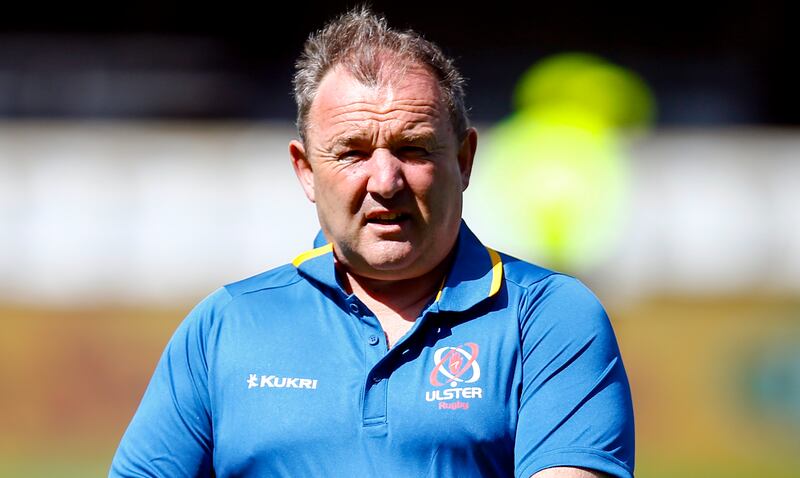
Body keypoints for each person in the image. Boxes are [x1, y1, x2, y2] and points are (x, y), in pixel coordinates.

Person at [110, 7, 634, 478]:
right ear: (305, 170)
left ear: (464, 160)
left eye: (413, 148)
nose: (385, 181)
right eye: (353, 153)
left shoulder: (547, 316)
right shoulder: (225, 325)